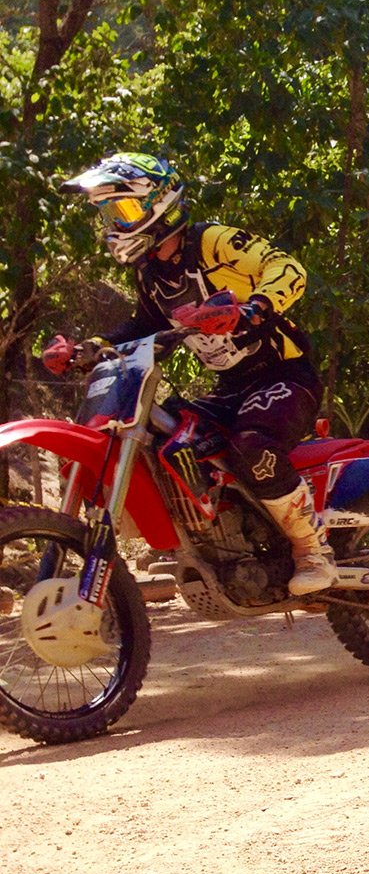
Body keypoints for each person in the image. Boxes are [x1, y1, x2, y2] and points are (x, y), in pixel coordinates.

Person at [47, 152, 335, 595]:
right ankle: (213, 543)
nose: (113, 224)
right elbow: (141, 326)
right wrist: (90, 348)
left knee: (252, 445)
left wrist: (251, 310)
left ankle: (312, 548)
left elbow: (287, 268)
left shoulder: (212, 241)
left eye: (122, 210)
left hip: (284, 376)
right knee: (172, 439)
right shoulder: (151, 274)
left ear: (160, 204)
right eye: (107, 213)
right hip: (231, 388)